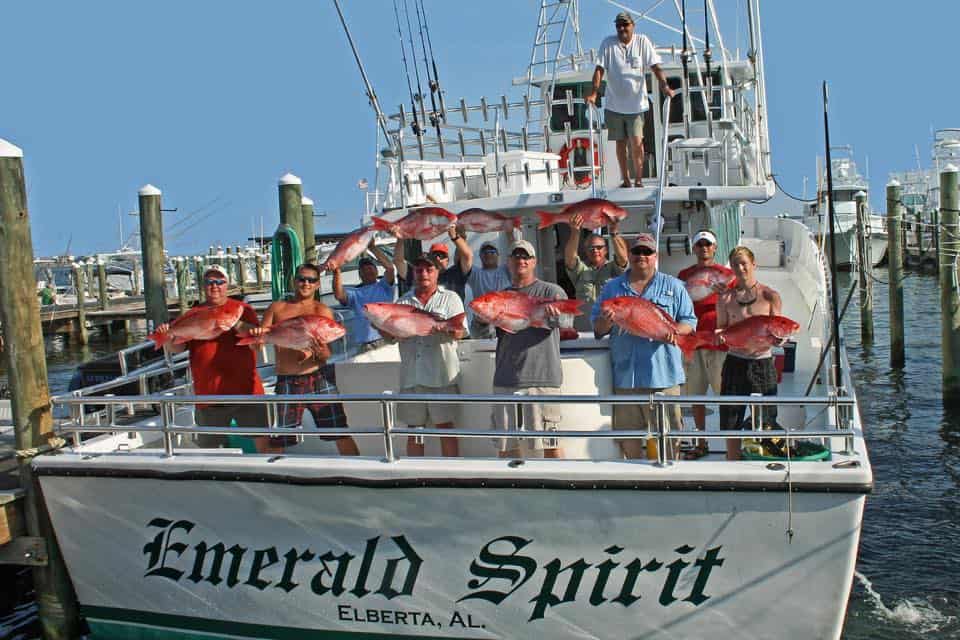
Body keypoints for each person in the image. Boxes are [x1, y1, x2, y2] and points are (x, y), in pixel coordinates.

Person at [592, 234, 696, 460]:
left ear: (655, 256)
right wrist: (606, 320)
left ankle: (669, 480)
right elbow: (598, 330)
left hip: (663, 378)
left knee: (668, 439)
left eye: (647, 252)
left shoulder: (674, 286)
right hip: (626, 379)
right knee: (629, 440)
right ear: (629, 255)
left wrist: (676, 332)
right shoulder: (612, 288)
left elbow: (689, 320)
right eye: (637, 251)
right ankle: (633, 480)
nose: (642, 256)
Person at [154, 264, 270, 451]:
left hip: (246, 391)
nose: (214, 286)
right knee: (209, 448)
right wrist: (166, 338)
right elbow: (178, 347)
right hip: (208, 394)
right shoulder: (192, 314)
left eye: (219, 282)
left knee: (262, 440)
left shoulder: (243, 309)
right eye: (209, 282)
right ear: (203, 285)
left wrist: (235, 323)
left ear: (227, 285)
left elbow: (257, 341)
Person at [251, 263, 359, 456]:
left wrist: (318, 350)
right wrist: (256, 335)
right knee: (281, 437)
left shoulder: (322, 311)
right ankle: (274, 480)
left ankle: (361, 473)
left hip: (319, 377)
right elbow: (259, 341)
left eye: (311, 280)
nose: (306, 283)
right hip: (287, 380)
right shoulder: (277, 308)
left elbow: (327, 355)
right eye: (302, 279)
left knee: (340, 431)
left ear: (318, 285)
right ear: (294, 281)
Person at [493, 240, 571, 459]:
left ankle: (559, 489)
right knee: (507, 448)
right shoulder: (500, 297)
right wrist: (482, 319)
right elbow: (480, 332)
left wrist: (553, 316)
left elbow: (567, 322)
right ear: (509, 262)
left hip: (542, 379)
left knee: (550, 444)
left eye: (526, 256)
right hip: (506, 379)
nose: (521, 260)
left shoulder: (551, 291)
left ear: (534, 261)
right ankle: (511, 489)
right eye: (516, 256)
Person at [585, 11, 674, 187]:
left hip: (636, 106)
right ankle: (625, 179)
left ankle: (639, 179)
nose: (621, 28)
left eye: (625, 25)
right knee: (620, 144)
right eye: (618, 25)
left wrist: (664, 86)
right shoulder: (608, 44)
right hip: (614, 105)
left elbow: (656, 67)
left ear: (633, 26)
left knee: (637, 143)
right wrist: (594, 93)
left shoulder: (642, 42)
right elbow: (599, 70)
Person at [390, 252, 467, 457]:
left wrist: (444, 328)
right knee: (414, 431)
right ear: (414, 273)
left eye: (428, 269)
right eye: (419, 269)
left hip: (441, 375)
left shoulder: (451, 299)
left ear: (437, 272)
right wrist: (379, 323)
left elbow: (460, 333)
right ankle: (415, 475)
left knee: (446, 429)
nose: (423, 273)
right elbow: (392, 336)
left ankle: (451, 475)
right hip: (411, 377)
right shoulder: (402, 302)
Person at [716, 246, 784, 461]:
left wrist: (780, 339)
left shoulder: (770, 296)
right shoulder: (725, 299)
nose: (740, 267)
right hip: (735, 361)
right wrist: (720, 336)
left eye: (744, 263)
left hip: (762, 362)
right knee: (730, 416)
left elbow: (778, 329)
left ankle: (765, 460)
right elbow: (721, 328)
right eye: (735, 264)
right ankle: (732, 461)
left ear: (754, 265)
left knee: (766, 417)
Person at [677, 229, 734, 458]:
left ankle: (733, 445)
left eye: (708, 244)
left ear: (715, 248)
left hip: (719, 343)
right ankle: (701, 442)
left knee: (726, 397)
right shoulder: (684, 274)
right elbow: (679, 304)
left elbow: (737, 305)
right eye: (700, 245)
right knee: (695, 396)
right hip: (692, 343)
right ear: (694, 249)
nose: (704, 249)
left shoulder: (727, 274)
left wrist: (725, 294)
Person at [564, 216, 628, 332]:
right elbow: (569, 259)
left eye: (599, 247)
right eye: (591, 248)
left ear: (606, 250)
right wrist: (575, 232)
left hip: (611, 333)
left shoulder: (614, 269)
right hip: (583, 333)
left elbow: (623, 259)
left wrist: (614, 233)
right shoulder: (581, 270)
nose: (595, 250)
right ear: (586, 251)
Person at [332, 241, 396, 353]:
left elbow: (390, 268)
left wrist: (372, 247)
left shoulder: (384, 286)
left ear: (377, 271)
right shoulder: (354, 293)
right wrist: (337, 271)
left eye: (371, 267)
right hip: (365, 345)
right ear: (360, 275)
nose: (368, 270)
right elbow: (339, 295)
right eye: (364, 269)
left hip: (387, 340)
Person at [394, 223, 473, 301]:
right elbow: (398, 261)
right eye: (434, 255)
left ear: (447, 260)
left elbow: (467, 256)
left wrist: (455, 237)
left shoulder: (456, 274)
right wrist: (401, 238)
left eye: (442, 256)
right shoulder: (418, 274)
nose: (438, 258)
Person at [466, 241, 511, 338]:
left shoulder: (506, 270)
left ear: (498, 255)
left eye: (492, 251)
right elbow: (463, 258)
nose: (488, 254)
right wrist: (460, 238)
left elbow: (513, 249)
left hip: (503, 321)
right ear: (480, 256)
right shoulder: (475, 273)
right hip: (481, 324)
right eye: (485, 252)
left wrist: (510, 232)